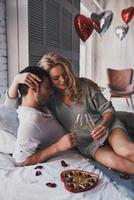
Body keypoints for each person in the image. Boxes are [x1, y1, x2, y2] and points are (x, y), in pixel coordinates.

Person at [8, 53, 134, 174]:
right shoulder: (49, 98)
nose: (63, 80)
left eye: (65, 74)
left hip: (109, 127)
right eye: (56, 78)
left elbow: (108, 109)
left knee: (124, 150)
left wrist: (104, 125)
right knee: (116, 162)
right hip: (88, 145)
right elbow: (12, 106)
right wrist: (16, 81)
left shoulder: (84, 85)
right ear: (49, 81)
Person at [12, 66, 77, 166]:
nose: (51, 92)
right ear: (34, 89)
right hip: (71, 155)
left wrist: (16, 80)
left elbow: (10, 100)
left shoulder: (40, 105)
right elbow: (20, 162)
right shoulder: (31, 121)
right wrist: (58, 146)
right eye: (47, 88)